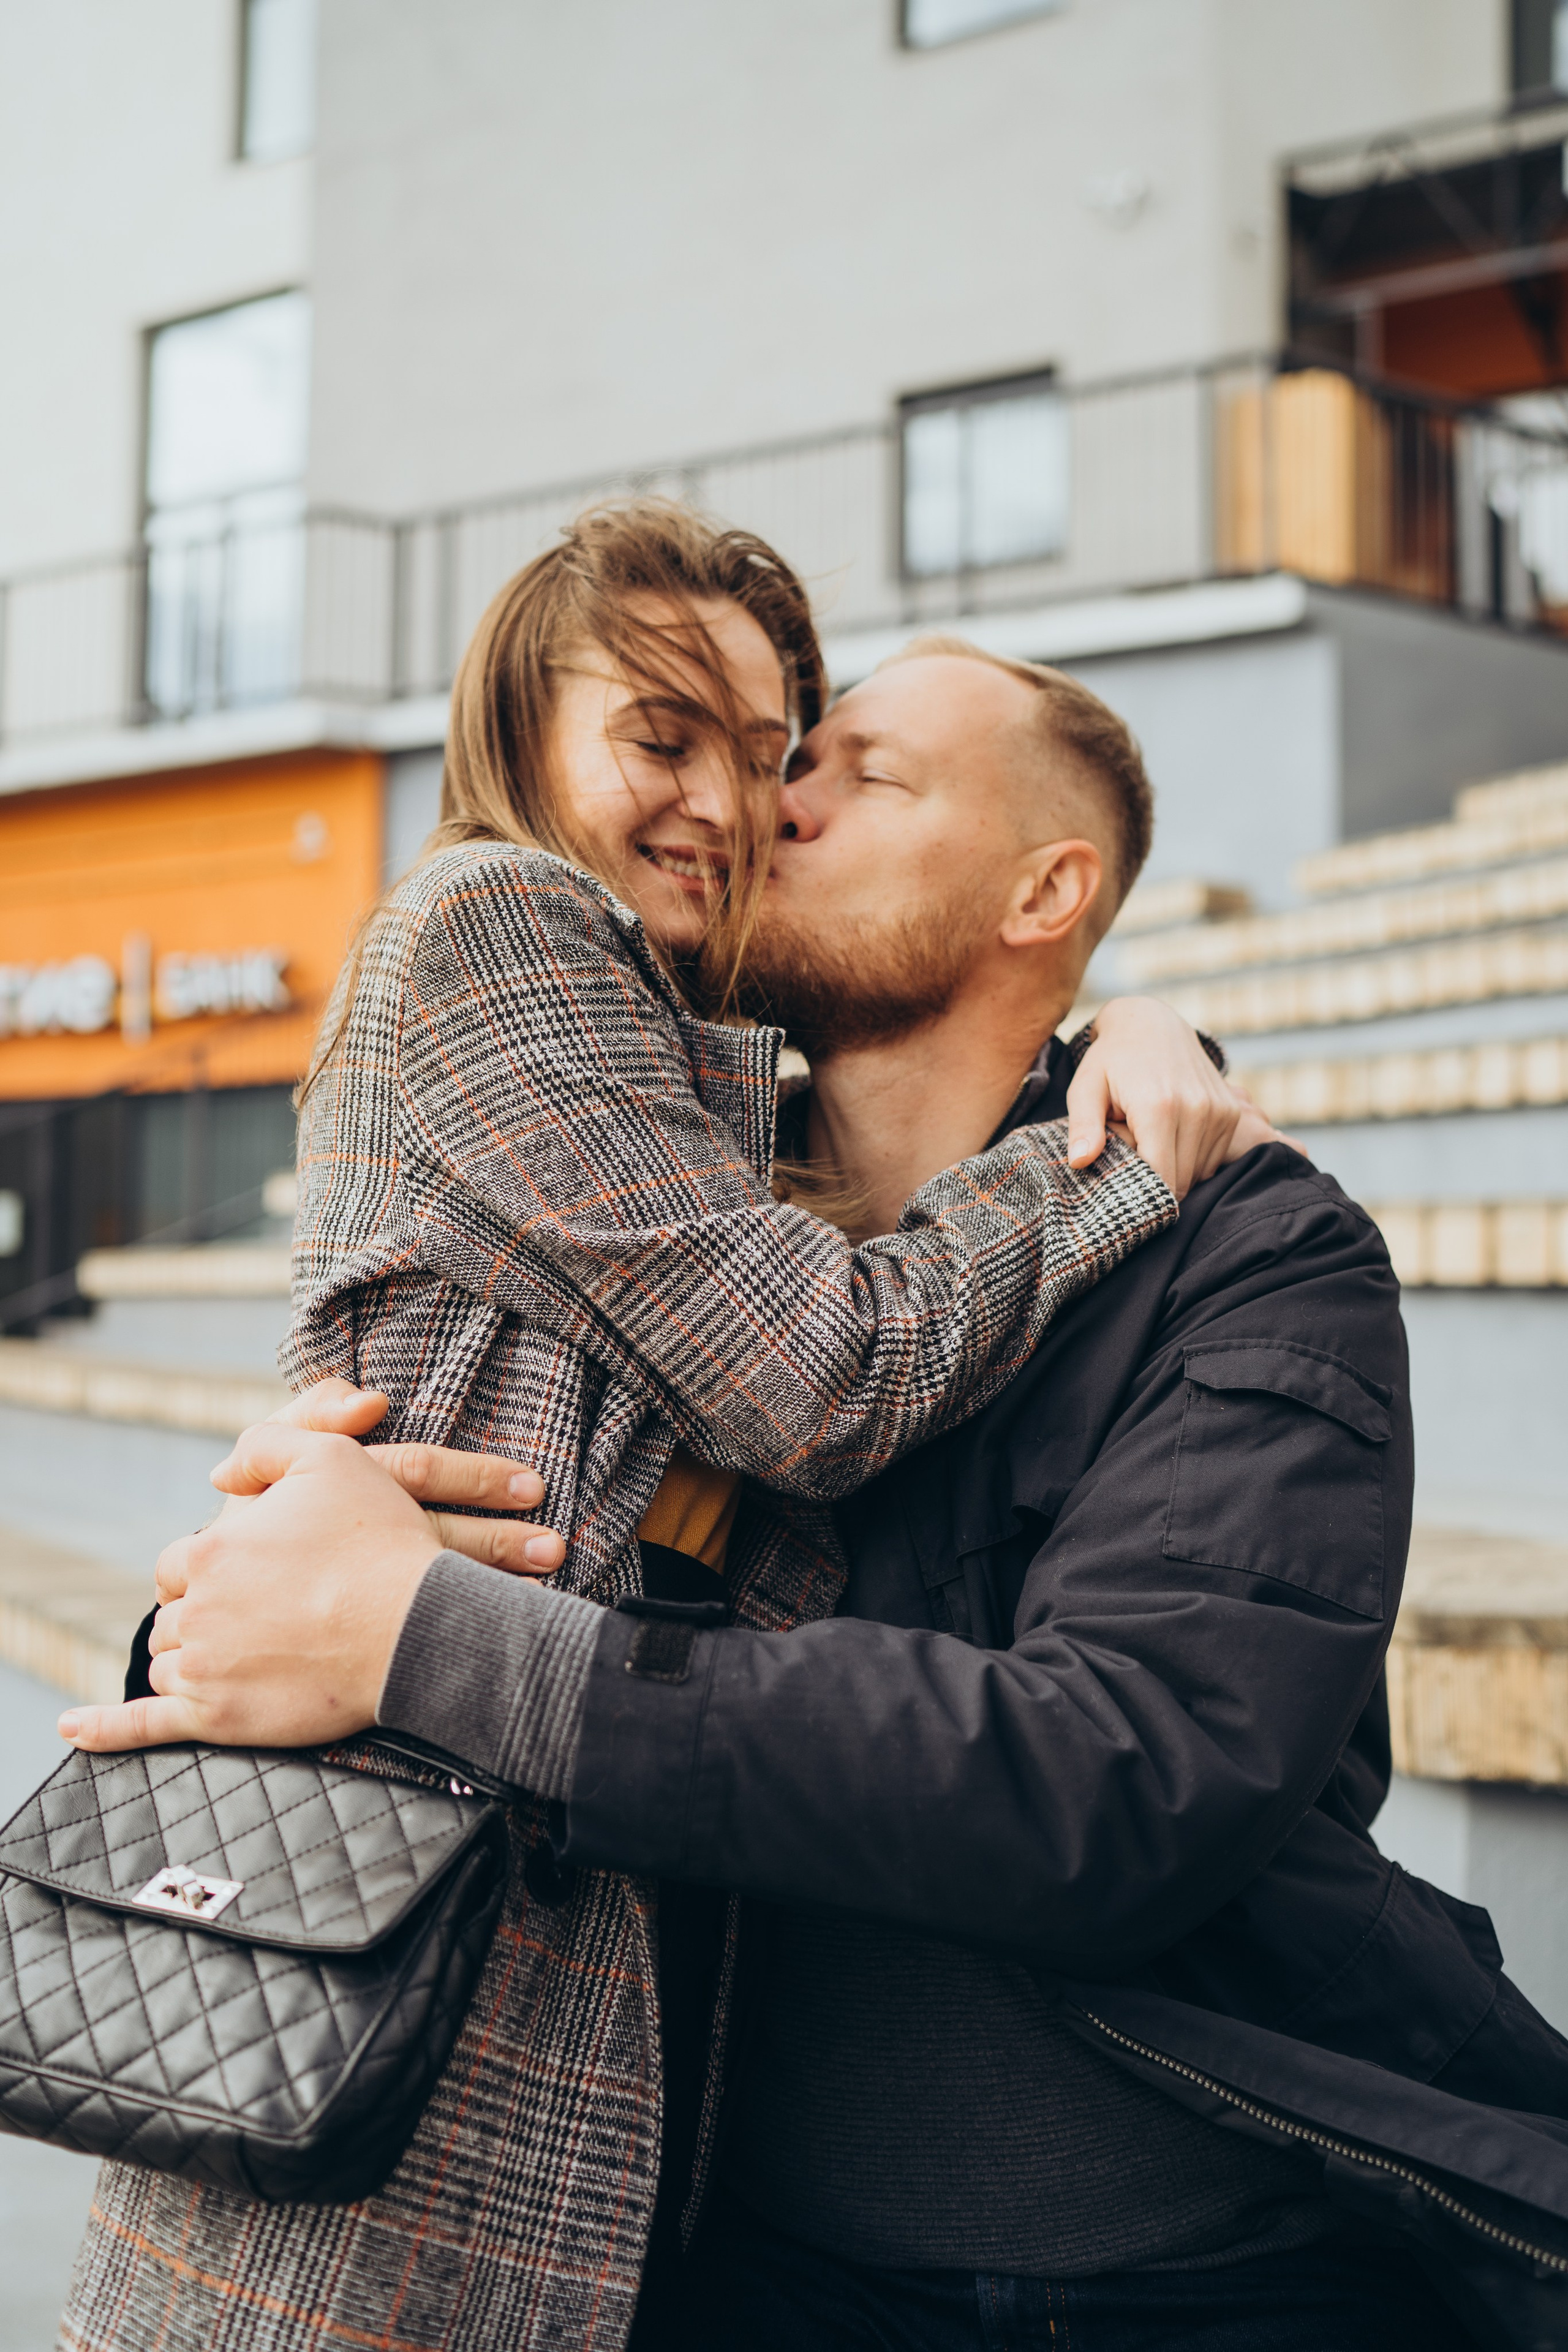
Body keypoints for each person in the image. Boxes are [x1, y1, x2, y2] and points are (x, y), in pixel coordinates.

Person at [69, 639, 1568, 2350]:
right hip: (713, 2273)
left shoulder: (1256, 1255)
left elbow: (1120, 1781)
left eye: (868, 772)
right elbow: (390, 1574)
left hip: (1190, 2291)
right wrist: (264, 1604)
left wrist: (431, 1638)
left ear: (1047, 889)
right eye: (793, 757)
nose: (775, 799)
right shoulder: (662, 1229)